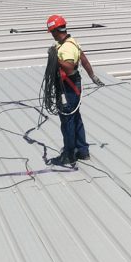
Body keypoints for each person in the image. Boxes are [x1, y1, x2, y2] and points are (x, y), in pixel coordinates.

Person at [44, 14, 104, 166]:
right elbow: (83, 59)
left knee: (67, 121)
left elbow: (70, 66)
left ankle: (69, 154)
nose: (52, 35)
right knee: (75, 118)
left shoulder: (67, 48)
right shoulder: (72, 42)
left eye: (52, 32)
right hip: (71, 86)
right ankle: (83, 151)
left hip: (68, 87)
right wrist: (92, 76)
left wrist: (55, 58)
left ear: (57, 31)